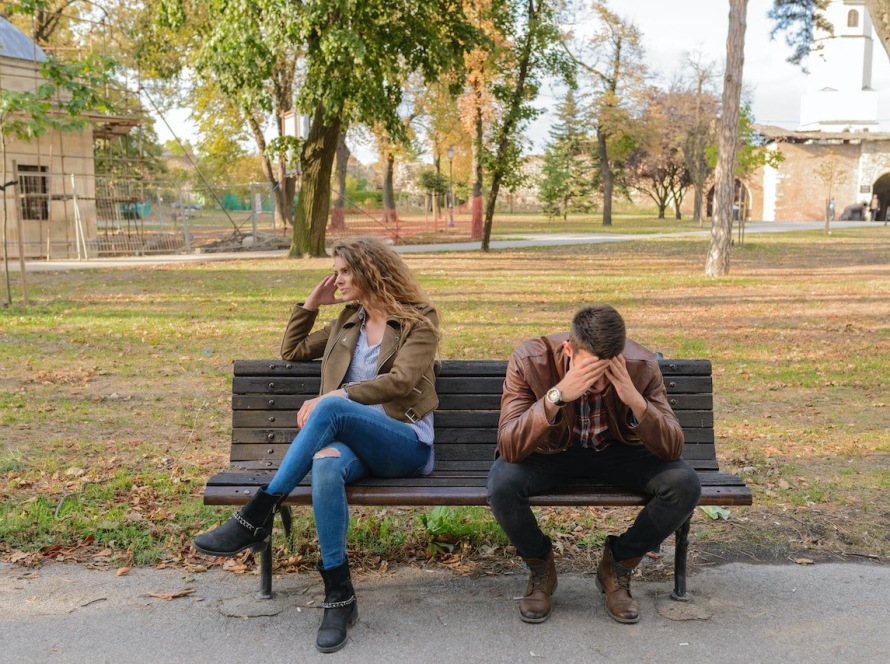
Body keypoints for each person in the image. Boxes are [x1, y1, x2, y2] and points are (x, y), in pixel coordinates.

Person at [193, 236, 440, 653]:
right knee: (325, 464)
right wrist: (311, 303)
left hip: (405, 443)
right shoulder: (347, 322)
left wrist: (336, 396)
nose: (336, 279)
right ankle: (339, 597)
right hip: (352, 444)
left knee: (331, 408)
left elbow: (401, 382)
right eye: (336, 272)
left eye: (344, 271)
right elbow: (291, 351)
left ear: (369, 271)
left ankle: (258, 512)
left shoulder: (419, 319)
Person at [487, 304, 701, 625]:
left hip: (616, 452)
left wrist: (633, 398)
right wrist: (556, 396)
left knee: (684, 484)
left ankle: (618, 565)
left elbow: (672, 448)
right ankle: (540, 567)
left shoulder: (640, 364)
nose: (597, 384)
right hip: (551, 453)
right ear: (569, 350)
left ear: (620, 356)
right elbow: (510, 447)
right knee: (502, 484)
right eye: (589, 371)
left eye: (606, 373)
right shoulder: (530, 359)